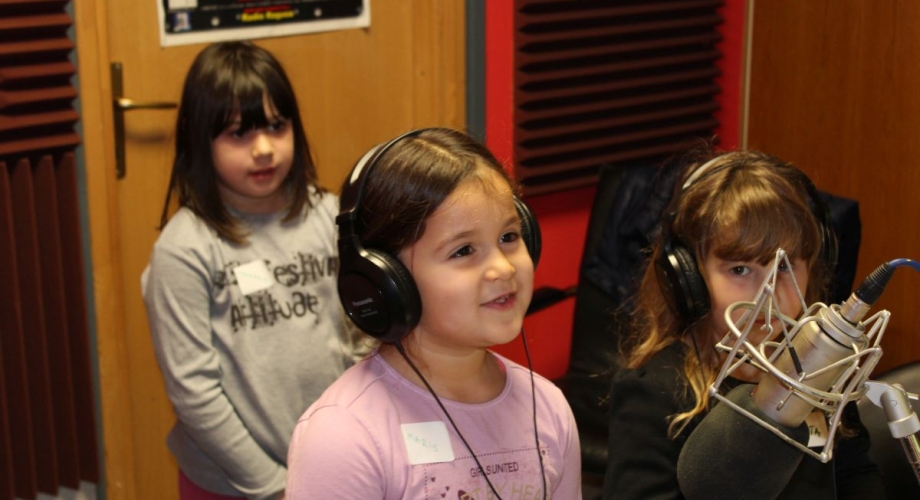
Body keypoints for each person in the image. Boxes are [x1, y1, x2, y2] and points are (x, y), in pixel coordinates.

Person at [285, 128, 583, 499]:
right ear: (386, 280)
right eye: (463, 251)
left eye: (509, 237)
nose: (503, 269)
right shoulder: (345, 435)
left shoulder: (547, 407)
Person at [142, 41, 357, 500]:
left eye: (277, 127)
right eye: (238, 134)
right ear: (200, 141)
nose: (263, 149)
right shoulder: (184, 250)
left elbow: (363, 340)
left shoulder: (330, 217)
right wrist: (274, 487)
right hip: (233, 484)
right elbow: (194, 391)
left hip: (334, 467)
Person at [602, 150, 885, 500]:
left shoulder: (821, 371)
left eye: (785, 267)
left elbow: (858, 476)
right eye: (740, 269)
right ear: (689, 278)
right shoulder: (653, 392)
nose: (768, 293)